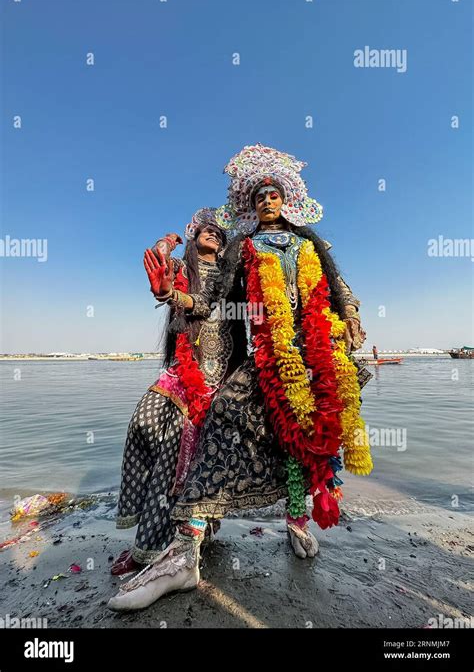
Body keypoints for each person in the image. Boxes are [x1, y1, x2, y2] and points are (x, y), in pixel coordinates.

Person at [108, 144, 373, 611]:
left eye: (273, 194)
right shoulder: (243, 248)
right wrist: (174, 294)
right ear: (251, 207)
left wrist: (349, 314)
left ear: (284, 199)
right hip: (268, 355)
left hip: (319, 349)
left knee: (307, 439)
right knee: (222, 417)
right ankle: (185, 554)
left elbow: (339, 289)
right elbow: (211, 303)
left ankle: (296, 519)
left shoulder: (310, 243)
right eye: (259, 197)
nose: (267, 201)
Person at [111, 209, 236, 575]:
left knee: (183, 457)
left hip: (219, 374)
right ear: (194, 236)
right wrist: (165, 245)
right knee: (144, 422)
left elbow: (209, 302)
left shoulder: (231, 274)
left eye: (218, 231)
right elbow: (162, 270)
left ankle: (156, 547)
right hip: (185, 369)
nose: (211, 233)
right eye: (205, 229)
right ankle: (153, 534)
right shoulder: (184, 267)